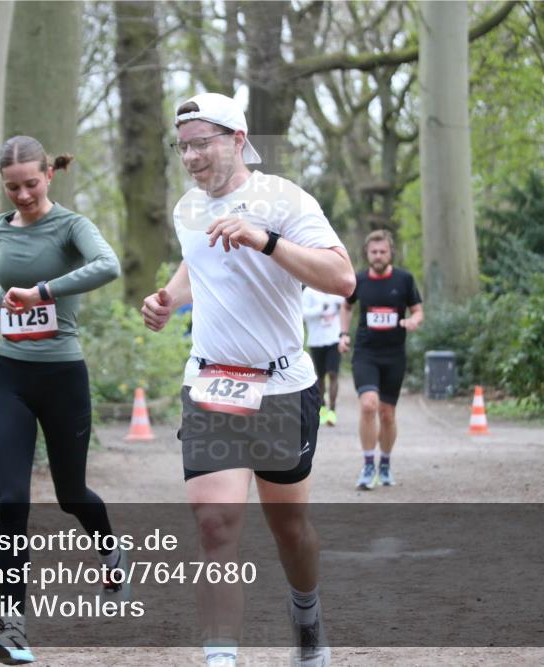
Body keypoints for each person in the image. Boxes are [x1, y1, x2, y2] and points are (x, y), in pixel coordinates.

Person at [141, 92, 355, 667]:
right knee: (215, 525)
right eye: (183, 147)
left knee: (291, 530)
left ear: (237, 140)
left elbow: (342, 278)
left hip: (282, 387)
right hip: (212, 385)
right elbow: (197, 262)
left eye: (202, 144)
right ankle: (221, 659)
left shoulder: (282, 199)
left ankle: (306, 614)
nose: (191, 158)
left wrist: (265, 239)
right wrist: (168, 298)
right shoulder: (189, 208)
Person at [0, 135, 125, 665]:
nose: (23, 195)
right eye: (12, 187)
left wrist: (45, 294)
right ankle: (13, 628)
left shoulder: (72, 226)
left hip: (63, 378)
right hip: (11, 377)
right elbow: (11, 286)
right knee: (11, 501)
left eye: (31, 184)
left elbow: (108, 265)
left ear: (49, 175)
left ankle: (109, 549)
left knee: (71, 494)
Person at [338, 230, 424, 489]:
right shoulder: (359, 280)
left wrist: (413, 321)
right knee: (368, 405)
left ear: (390, 252)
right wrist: (343, 333)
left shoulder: (404, 279)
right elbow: (347, 304)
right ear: (367, 253)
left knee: (387, 414)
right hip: (365, 353)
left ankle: (385, 464)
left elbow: (418, 310)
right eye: (373, 252)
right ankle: (367, 466)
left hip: (394, 355)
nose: (377, 256)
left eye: (382, 252)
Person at [302, 286, 345, 426]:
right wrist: (321, 309)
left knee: (333, 374)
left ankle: (332, 410)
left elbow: (347, 305)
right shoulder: (309, 292)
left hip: (334, 339)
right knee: (320, 377)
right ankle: (323, 408)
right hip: (317, 340)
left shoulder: (336, 290)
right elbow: (302, 314)